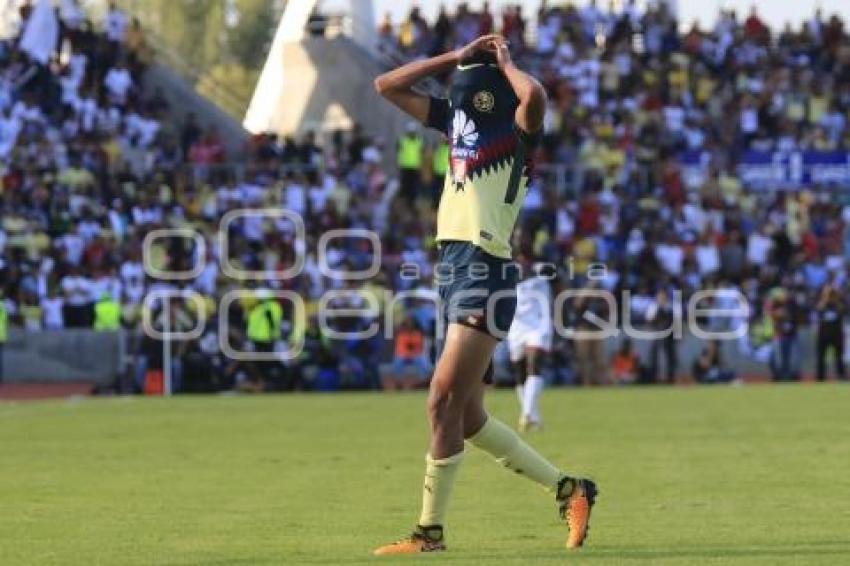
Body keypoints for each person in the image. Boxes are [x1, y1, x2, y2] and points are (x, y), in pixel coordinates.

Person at [373, 34, 596, 555]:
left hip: (486, 269)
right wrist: (452, 57)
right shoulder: (455, 124)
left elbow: (535, 99)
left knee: (440, 401)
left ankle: (429, 534)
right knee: (467, 416)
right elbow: (384, 85)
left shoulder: (517, 132)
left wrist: (506, 62)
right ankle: (571, 489)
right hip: (451, 269)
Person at [507, 261, 554, 431]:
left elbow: (554, 272)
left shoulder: (539, 267)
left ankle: (526, 414)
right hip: (517, 326)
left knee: (534, 365)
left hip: (538, 325)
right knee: (520, 373)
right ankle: (533, 416)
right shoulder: (506, 267)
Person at [814, 281, 846, 381]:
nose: (830, 295)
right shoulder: (822, 304)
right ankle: (820, 378)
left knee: (839, 358)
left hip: (836, 335)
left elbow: (842, 310)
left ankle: (841, 376)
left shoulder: (839, 304)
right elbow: (818, 310)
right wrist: (825, 298)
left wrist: (836, 299)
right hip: (823, 336)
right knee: (821, 358)